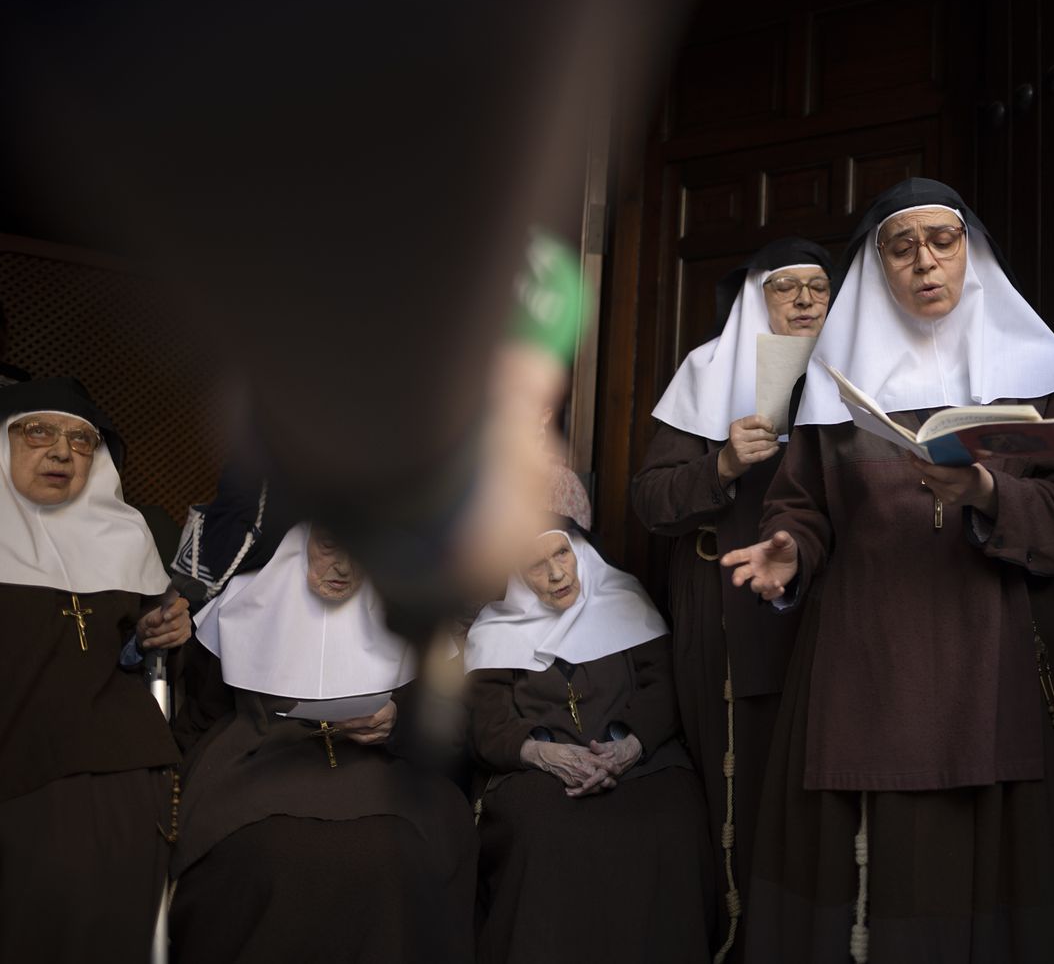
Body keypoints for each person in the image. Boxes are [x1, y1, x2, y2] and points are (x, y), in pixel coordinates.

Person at [722, 178, 1054, 963]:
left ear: (971, 252)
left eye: (943, 242)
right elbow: (802, 505)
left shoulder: (1029, 368)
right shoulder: (836, 384)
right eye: (901, 248)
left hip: (1001, 647)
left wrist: (988, 492)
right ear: (879, 267)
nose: (925, 262)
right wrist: (789, 547)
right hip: (869, 654)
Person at [631, 235, 832, 961]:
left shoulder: (859, 365)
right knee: (744, 791)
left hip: (829, 610)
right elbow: (650, 501)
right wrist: (719, 464)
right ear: (755, 298)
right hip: (730, 615)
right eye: (787, 287)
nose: (805, 300)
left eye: (819, 287)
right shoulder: (707, 372)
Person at [170, 523, 477, 963]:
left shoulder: (405, 610)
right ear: (301, 538)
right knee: (261, 853)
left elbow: (448, 722)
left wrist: (399, 721)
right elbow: (202, 713)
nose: (344, 567)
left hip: (380, 767)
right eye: (331, 545)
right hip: (260, 762)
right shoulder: (242, 601)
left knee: (399, 852)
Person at [0, 377, 190, 962]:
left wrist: (157, 631)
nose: (62, 451)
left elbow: (128, 644)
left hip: (118, 764)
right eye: (39, 432)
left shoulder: (125, 535)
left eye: (81, 440)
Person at [465, 525, 714, 963]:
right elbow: (488, 722)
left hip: (636, 756)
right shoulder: (496, 629)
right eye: (536, 566)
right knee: (544, 832)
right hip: (539, 766)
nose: (556, 574)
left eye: (562, 554)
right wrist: (541, 753)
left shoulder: (624, 601)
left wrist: (629, 745)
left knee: (672, 820)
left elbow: (664, 685)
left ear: (580, 552)